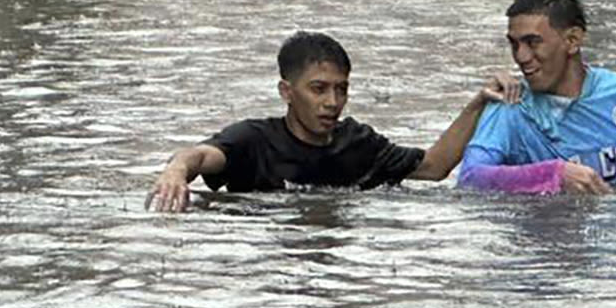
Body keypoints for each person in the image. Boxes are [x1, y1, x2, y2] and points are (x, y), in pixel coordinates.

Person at [148, 31, 509, 211]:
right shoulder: (253, 140)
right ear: (287, 92)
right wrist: (175, 172)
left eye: (341, 89)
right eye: (318, 89)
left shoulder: (358, 143)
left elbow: (434, 167)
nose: (332, 103)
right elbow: (197, 156)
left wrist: (478, 103)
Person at [459, 0, 616, 195]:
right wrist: (553, 175)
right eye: (514, 44)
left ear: (572, 40)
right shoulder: (510, 106)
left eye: (532, 42)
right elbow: (471, 178)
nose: (521, 57)